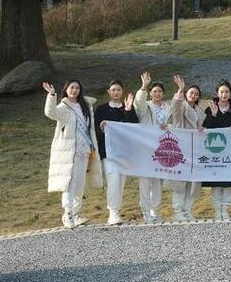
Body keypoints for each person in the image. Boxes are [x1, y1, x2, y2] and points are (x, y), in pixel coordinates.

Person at [44, 80, 103, 228]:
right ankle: (68, 213)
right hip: (70, 152)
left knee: (80, 183)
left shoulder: (86, 106)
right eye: (72, 87)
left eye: (77, 88)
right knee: (70, 183)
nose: (74, 90)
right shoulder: (64, 107)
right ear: (66, 90)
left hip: (85, 151)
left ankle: (76, 213)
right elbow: (50, 113)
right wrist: (51, 95)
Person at [94, 79, 138, 225]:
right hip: (108, 152)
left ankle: (117, 212)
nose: (116, 92)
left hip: (124, 152)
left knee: (120, 182)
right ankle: (112, 212)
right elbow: (96, 131)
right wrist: (102, 128)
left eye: (118, 89)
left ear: (122, 91)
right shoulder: (101, 109)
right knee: (112, 181)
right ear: (109, 91)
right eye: (113, 90)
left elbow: (134, 127)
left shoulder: (128, 108)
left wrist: (128, 110)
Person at [134, 71, 172, 223]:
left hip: (162, 148)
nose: (157, 93)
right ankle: (145, 213)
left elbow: (173, 124)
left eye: (160, 91)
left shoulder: (168, 107)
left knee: (157, 181)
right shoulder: (145, 106)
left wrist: (168, 126)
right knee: (145, 182)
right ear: (150, 93)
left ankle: (155, 212)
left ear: (163, 93)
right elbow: (138, 104)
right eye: (154, 91)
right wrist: (143, 87)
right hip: (145, 147)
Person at [203, 79, 231, 220]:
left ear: (230, 93)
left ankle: (226, 209)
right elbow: (206, 128)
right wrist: (213, 116)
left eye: (226, 92)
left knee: (229, 182)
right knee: (216, 181)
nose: (224, 94)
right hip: (215, 150)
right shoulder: (210, 108)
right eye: (221, 92)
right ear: (217, 93)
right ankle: (217, 209)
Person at [167, 76, 204, 221]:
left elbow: (200, 126)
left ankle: (188, 210)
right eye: (191, 93)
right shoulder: (181, 107)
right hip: (182, 147)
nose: (193, 95)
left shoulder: (200, 111)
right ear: (186, 94)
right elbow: (175, 108)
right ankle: (178, 211)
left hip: (195, 149)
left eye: (196, 94)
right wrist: (180, 91)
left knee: (193, 183)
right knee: (179, 182)